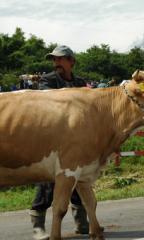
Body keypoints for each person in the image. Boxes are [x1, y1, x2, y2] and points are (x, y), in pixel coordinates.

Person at [29, 45, 89, 240]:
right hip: (51, 142)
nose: (56, 63)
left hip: (75, 142)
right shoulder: (48, 80)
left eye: (60, 59)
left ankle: (82, 223)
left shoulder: (80, 82)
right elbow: (51, 101)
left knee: (78, 180)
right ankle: (38, 227)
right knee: (48, 183)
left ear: (71, 61)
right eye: (54, 60)